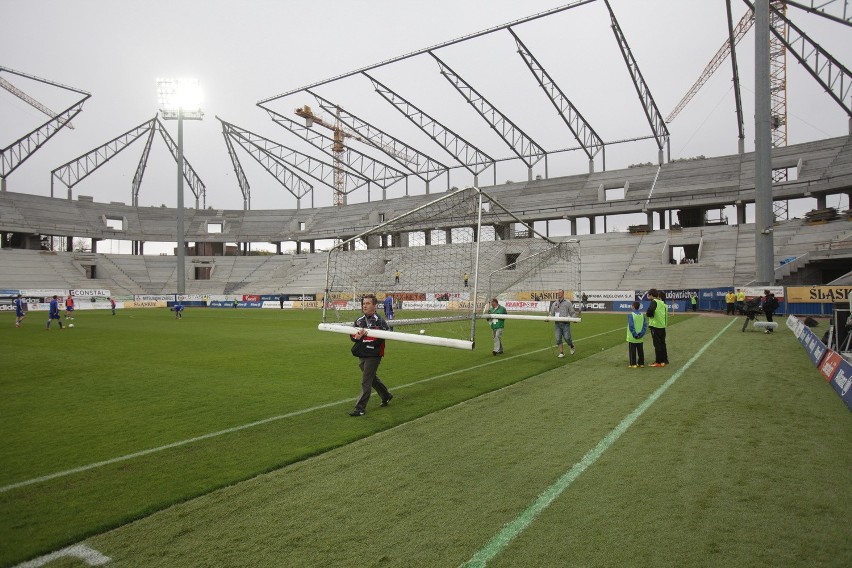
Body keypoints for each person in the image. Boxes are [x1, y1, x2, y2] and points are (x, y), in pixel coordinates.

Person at [349, 294, 393, 416]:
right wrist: (357, 337)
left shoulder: (380, 321)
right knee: (371, 377)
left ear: (374, 306)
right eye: (364, 303)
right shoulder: (359, 320)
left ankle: (360, 408)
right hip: (362, 353)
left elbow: (384, 336)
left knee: (366, 380)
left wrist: (368, 339)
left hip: (374, 354)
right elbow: (353, 337)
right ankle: (386, 395)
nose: (365, 305)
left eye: (368, 303)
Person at [549, 289, 576, 358]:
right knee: (558, 339)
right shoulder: (554, 303)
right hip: (557, 324)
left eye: (560, 293)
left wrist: (574, 319)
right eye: (557, 293)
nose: (558, 294)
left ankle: (571, 345)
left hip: (565, 323)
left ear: (563, 294)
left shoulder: (568, 302)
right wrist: (548, 318)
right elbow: (552, 314)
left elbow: (572, 312)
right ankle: (561, 352)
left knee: (567, 338)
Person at [646, 288, 668, 367]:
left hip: (655, 326)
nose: (648, 296)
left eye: (649, 295)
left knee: (657, 344)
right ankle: (664, 360)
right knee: (662, 343)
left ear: (651, 295)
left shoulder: (654, 302)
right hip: (662, 325)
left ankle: (658, 361)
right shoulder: (662, 302)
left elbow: (650, 310)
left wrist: (649, 314)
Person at [626, 300, 647, 368]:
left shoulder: (631, 315)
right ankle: (641, 363)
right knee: (640, 350)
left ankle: (633, 363)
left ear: (633, 307)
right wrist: (641, 334)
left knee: (632, 351)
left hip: (633, 336)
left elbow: (631, 326)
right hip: (640, 336)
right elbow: (645, 326)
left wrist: (635, 334)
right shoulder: (642, 315)